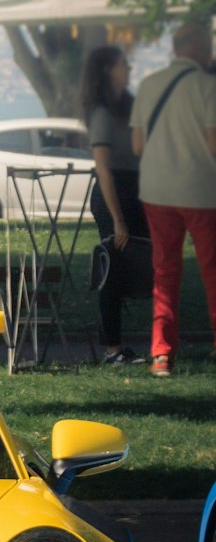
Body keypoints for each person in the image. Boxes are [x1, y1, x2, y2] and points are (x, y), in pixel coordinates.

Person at [131, 19, 216, 376]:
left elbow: (138, 145)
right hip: (200, 191)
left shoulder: (149, 85)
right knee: (212, 271)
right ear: (200, 48)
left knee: (165, 271)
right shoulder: (208, 87)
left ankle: (161, 355)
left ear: (175, 48)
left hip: (156, 191)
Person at [79, 46, 149, 366]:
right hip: (113, 194)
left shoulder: (129, 105)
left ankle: (125, 344)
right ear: (108, 69)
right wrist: (118, 220)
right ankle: (113, 348)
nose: (129, 69)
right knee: (114, 271)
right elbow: (103, 169)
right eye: (123, 64)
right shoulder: (102, 112)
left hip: (136, 189)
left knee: (138, 265)